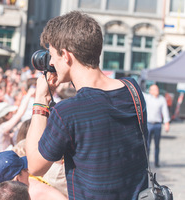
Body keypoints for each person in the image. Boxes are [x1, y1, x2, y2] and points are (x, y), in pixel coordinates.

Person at [26, 11, 148, 200]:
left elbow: (35, 165)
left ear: (66, 55)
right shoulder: (133, 90)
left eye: (51, 55)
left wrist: (41, 98)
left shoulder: (67, 112)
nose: (50, 62)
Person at [143, 84, 170, 168]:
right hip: (148, 124)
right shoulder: (147, 98)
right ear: (150, 91)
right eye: (154, 89)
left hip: (157, 124)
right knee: (147, 145)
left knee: (157, 145)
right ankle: (146, 162)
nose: (156, 91)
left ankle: (156, 162)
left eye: (157, 89)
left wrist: (167, 123)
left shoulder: (161, 99)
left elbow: (165, 111)